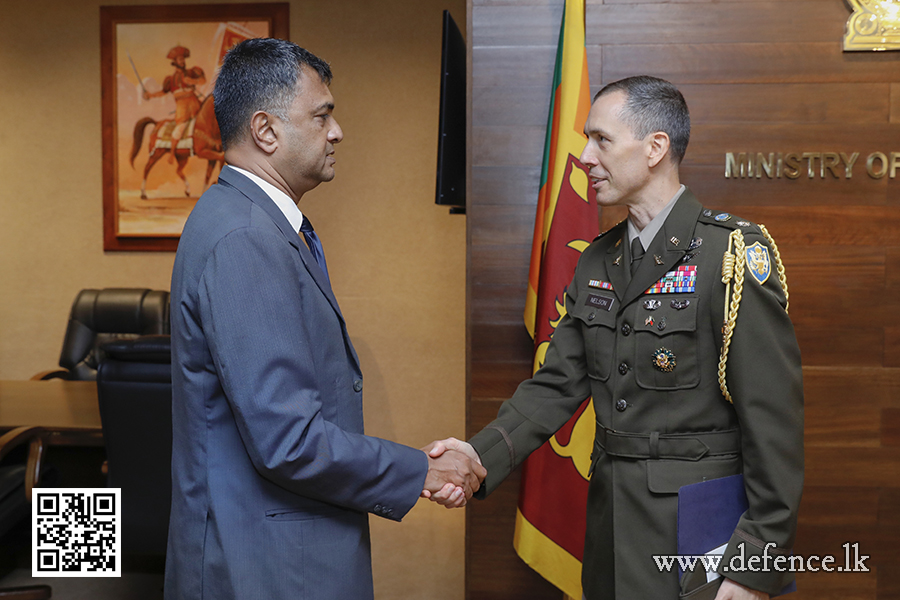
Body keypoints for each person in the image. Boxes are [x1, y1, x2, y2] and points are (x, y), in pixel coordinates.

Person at [428, 76, 804, 599]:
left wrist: (753, 564)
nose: (584, 156)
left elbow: (775, 424)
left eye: (602, 140)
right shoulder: (598, 259)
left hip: (702, 536)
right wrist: (476, 456)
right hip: (610, 526)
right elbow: (557, 384)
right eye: (586, 139)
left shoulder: (731, 255)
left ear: (655, 148)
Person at [165, 38, 484, 600]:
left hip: (281, 550)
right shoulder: (244, 238)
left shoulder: (256, 222)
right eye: (322, 115)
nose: (336, 132)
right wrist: (422, 471)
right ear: (266, 131)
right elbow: (288, 439)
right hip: (265, 567)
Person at [142, 46, 206, 163]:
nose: (183, 61)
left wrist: (193, 81)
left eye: (183, 59)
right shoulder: (170, 80)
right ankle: (172, 153)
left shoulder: (192, 72)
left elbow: (203, 80)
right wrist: (150, 95)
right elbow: (162, 92)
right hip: (183, 109)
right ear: (175, 62)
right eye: (180, 59)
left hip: (196, 105)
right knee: (179, 129)